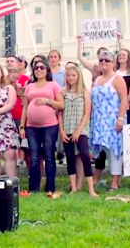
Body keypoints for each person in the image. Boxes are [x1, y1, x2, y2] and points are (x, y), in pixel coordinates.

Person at [19, 57, 64, 198]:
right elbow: (25, 107)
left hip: (50, 126)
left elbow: (61, 105)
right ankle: (34, 187)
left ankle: (50, 187)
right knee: (33, 157)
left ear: (47, 70)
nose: (39, 70)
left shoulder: (53, 85)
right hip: (31, 127)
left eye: (42, 67)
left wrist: (47, 101)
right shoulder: (30, 87)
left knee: (49, 156)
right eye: (36, 68)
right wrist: (22, 126)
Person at [90, 51, 128, 192]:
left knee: (114, 150)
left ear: (113, 63)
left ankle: (115, 182)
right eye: (101, 60)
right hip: (98, 120)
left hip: (112, 119)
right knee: (101, 151)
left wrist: (120, 118)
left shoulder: (117, 78)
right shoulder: (97, 80)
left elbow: (124, 98)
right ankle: (97, 179)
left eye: (107, 60)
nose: (103, 63)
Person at [58, 66, 97, 196]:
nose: (71, 78)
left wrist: (78, 130)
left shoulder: (85, 92)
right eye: (68, 75)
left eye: (73, 75)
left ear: (78, 76)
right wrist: (61, 130)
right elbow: (60, 113)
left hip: (81, 129)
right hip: (67, 127)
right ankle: (73, 187)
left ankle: (91, 188)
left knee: (85, 155)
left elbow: (87, 112)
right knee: (70, 157)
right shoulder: (62, 92)